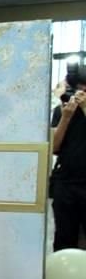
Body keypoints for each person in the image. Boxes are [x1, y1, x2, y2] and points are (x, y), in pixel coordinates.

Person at [50, 63, 86, 251]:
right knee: (64, 238)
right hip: (66, 183)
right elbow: (54, 147)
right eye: (78, 89)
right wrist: (66, 117)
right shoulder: (62, 110)